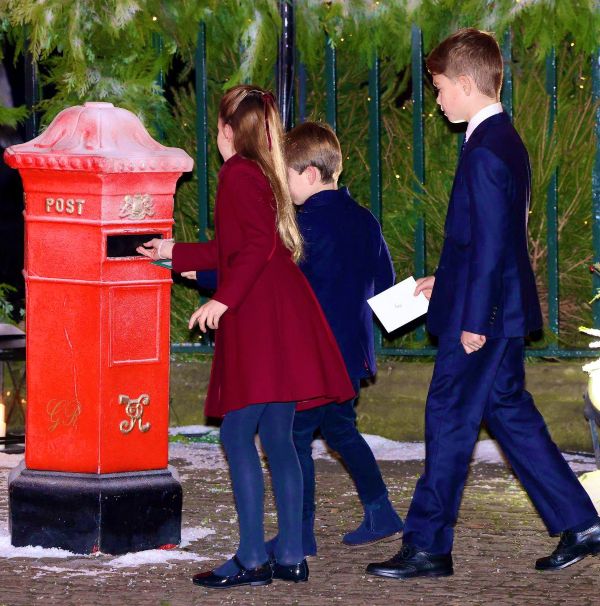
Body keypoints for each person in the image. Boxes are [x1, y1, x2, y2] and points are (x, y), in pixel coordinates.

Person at [366, 28, 600, 581]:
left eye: (441, 86)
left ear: (467, 83)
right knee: (511, 415)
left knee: (447, 419)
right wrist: (442, 283)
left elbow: (495, 244)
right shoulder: (500, 139)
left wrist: (472, 318)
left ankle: (427, 547)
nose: (438, 97)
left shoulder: (488, 147)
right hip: (497, 309)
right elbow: (486, 239)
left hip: (485, 318)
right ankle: (582, 522)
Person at [138, 85, 355, 589]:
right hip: (281, 311)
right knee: (277, 438)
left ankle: (254, 558)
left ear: (227, 131)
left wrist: (222, 300)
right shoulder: (265, 172)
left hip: (259, 316)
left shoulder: (237, 171)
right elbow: (239, 246)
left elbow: (253, 247)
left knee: (238, 435)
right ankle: (293, 556)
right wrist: (176, 251)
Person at [263, 122, 403, 558]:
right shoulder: (365, 219)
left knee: (293, 438)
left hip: (310, 358)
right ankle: (381, 512)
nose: (282, 187)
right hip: (349, 356)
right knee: (341, 430)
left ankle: (299, 534)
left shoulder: (302, 225)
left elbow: (267, 276)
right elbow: (387, 285)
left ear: (307, 174)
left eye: (284, 176)